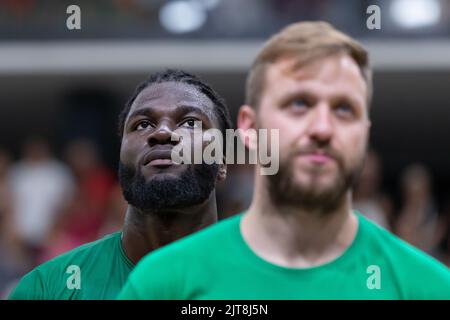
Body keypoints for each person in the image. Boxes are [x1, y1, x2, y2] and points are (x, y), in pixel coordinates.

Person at [118, 21, 450, 300]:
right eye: (299, 104)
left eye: (343, 109)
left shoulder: (429, 288)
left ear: (363, 133)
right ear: (250, 129)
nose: (322, 128)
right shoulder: (164, 282)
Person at [9, 69, 232, 299]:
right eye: (143, 124)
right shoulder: (46, 288)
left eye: (190, 122)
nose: (163, 132)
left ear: (222, 161)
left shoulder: (265, 285)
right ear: (121, 157)